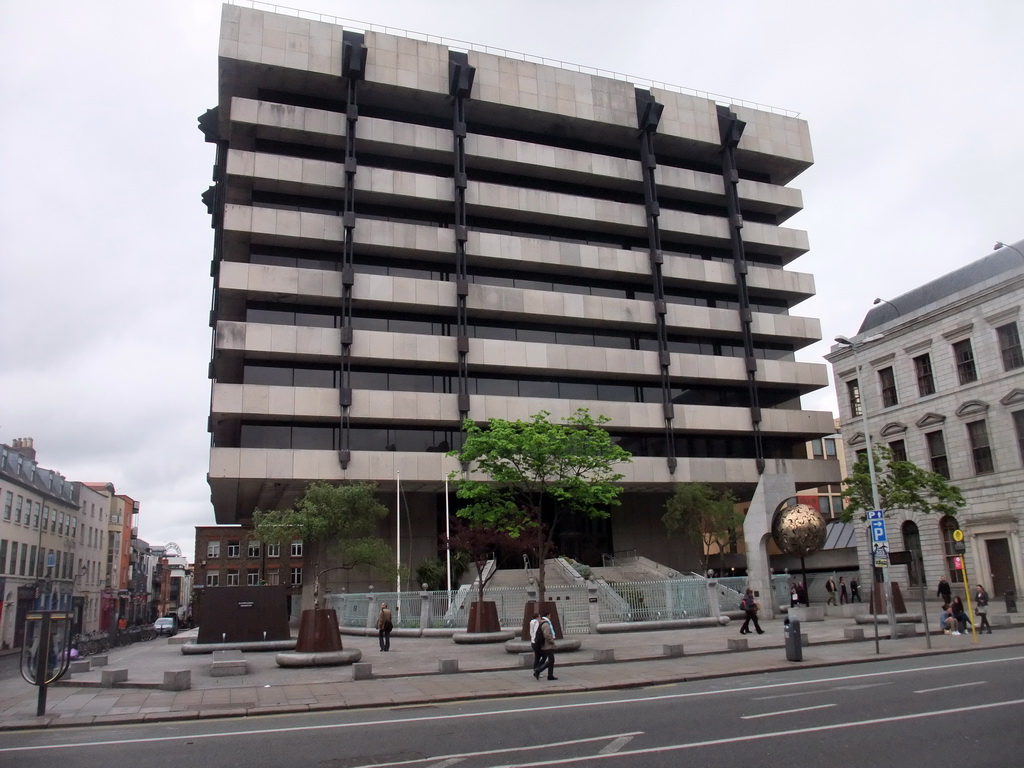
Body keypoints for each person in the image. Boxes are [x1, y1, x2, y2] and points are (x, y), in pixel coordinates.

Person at [533, 609, 557, 680]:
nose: (550, 617)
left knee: (551, 660)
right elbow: (547, 635)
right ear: (548, 615)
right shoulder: (546, 624)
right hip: (548, 645)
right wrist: (552, 641)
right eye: (550, 615)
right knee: (551, 660)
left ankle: (550, 675)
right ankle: (538, 670)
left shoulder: (541, 623)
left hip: (544, 645)